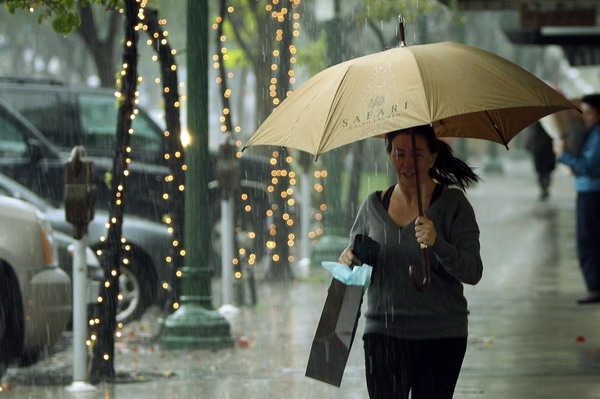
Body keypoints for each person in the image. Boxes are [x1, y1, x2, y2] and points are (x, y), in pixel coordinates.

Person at [338, 124, 483, 399]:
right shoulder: (372, 206)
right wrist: (349, 262)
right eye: (399, 154)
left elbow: (473, 271)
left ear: (432, 156)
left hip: (441, 335)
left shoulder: (453, 204)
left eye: (416, 155)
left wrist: (437, 243)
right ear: (390, 155)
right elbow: (356, 274)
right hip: (383, 332)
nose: (406, 163)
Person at [555, 94, 600, 304]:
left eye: (589, 112)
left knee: (588, 241)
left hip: (592, 194)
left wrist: (562, 154)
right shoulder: (592, 134)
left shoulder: (598, 136)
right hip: (590, 192)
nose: (585, 117)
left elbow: (586, 167)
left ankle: (594, 289)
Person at [526, 122, 556, 200]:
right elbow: (530, 134)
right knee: (541, 171)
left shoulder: (547, 122)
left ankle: (544, 187)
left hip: (546, 148)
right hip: (538, 148)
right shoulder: (533, 122)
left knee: (546, 170)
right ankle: (543, 187)